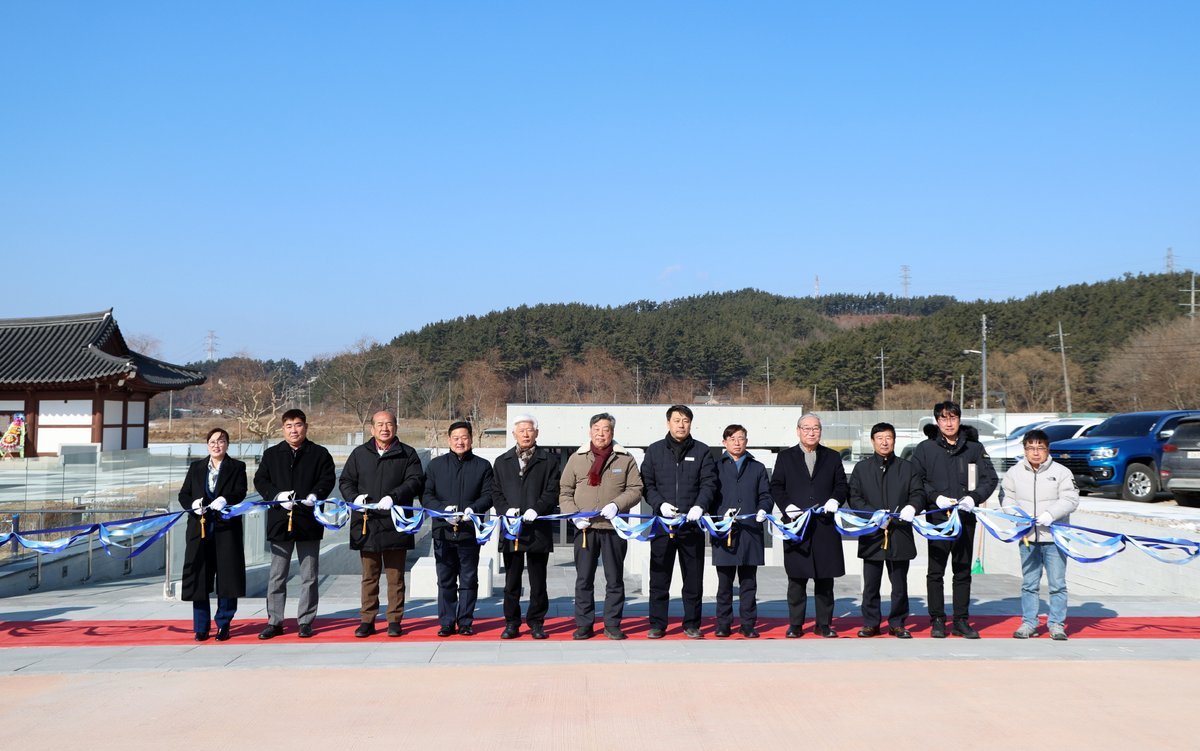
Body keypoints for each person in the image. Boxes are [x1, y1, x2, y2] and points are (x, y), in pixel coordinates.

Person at [911, 401, 998, 639]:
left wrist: (974, 497)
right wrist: (935, 497)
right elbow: (916, 479)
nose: (948, 423)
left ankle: (961, 620)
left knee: (962, 571)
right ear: (937, 421)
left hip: (965, 517)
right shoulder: (925, 449)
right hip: (938, 517)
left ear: (959, 420)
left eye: (953, 418)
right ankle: (938, 619)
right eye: (943, 418)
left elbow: (989, 479)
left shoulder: (974, 448)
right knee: (935, 571)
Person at [339, 410, 424, 638]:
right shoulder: (359, 454)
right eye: (380, 424)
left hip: (396, 523)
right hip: (367, 523)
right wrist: (354, 498)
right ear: (372, 428)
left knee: (395, 576)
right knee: (369, 576)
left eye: (389, 424)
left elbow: (415, 481)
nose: (384, 428)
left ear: (396, 427)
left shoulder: (407, 454)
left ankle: (394, 620)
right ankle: (367, 619)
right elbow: (346, 481)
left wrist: (394, 496)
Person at [559, 412, 644, 640]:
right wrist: (574, 515)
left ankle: (612, 624)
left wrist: (617, 505)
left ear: (612, 432)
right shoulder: (577, 458)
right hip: (585, 529)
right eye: (596, 429)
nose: (601, 434)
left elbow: (636, 488)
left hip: (613, 528)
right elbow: (565, 491)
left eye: (606, 429)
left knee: (614, 579)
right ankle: (584, 624)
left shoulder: (624, 458)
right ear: (590, 431)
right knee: (583, 579)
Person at [252, 409, 336, 640]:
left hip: (308, 520)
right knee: (277, 575)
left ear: (305, 427)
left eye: (298, 425)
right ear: (283, 429)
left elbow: (328, 478)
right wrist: (276, 496)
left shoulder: (319, 453)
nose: (294, 430)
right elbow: (260, 480)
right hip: (280, 521)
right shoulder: (272, 454)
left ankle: (306, 620)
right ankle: (274, 621)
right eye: (289, 426)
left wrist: (316, 494)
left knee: (309, 575)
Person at [769, 413, 848, 638]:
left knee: (825, 579)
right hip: (797, 526)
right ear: (798, 431)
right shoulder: (785, 457)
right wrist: (788, 507)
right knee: (796, 579)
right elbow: (776, 486)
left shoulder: (832, 456)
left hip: (824, 526)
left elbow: (842, 485)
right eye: (806, 428)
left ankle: (824, 624)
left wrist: (835, 500)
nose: (811, 432)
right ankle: (795, 624)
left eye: (816, 428)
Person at [643, 404, 717, 639]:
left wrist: (700, 505)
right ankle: (657, 624)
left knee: (693, 578)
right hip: (663, 525)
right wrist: (659, 504)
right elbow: (647, 484)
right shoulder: (654, 451)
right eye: (677, 420)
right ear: (668, 423)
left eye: (685, 421)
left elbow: (709, 483)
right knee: (659, 577)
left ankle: (692, 624)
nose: (681, 425)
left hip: (691, 526)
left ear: (690, 424)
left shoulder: (702, 451)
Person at [1000, 428, 1080, 641]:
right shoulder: (1014, 473)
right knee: (1029, 584)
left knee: (1057, 584)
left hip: (1054, 538)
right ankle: (1029, 623)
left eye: (1040, 448)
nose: (1035, 452)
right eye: (1031, 448)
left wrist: (1050, 514)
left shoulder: (1062, 472)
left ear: (1048, 449)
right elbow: (1006, 497)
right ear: (1024, 450)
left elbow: (1071, 499)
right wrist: (1016, 515)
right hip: (1027, 537)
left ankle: (1056, 624)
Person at [847, 422, 924, 639]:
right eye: (880, 438)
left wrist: (913, 507)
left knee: (899, 583)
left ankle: (897, 623)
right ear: (872, 441)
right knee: (871, 583)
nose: (884, 442)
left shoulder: (907, 468)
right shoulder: (862, 468)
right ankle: (871, 622)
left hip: (899, 532)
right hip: (872, 533)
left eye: (888, 437)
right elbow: (854, 497)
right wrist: (872, 514)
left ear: (894, 440)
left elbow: (918, 493)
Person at [491, 414, 561, 640]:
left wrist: (537, 509)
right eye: (521, 430)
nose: (525, 434)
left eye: (529, 430)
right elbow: (495, 492)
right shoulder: (502, 461)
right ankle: (511, 622)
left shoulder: (549, 461)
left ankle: (536, 622)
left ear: (536, 433)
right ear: (514, 434)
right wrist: (505, 510)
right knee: (511, 580)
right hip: (512, 529)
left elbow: (552, 490)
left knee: (538, 580)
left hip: (537, 528)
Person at [423, 420, 493, 637]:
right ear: (449, 440)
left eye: (464, 437)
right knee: (445, 579)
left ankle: (465, 621)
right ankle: (446, 622)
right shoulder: (435, 466)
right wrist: (442, 510)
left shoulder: (482, 466)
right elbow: (426, 495)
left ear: (471, 439)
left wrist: (474, 508)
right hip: (443, 531)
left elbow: (489, 495)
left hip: (469, 532)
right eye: (456, 438)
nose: (460, 442)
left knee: (469, 578)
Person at [177, 427, 247, 641]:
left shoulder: (237, 467)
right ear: (207, 445)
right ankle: (201, 626)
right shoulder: (196, 467)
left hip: (226, 529)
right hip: (200, 529)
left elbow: (240, 491)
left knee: (227, 576)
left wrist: (226, 499)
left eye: (221, 441)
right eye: (213, 442)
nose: (217, 445)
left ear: (227, 444)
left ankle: (224, 623)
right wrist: (193, 504)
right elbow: (184, 494)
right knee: (199, 576)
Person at [711, 424, 772, 638]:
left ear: (747, 441)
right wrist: (717, 515)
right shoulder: (715, 467)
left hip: (750, 531)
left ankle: (748, 624)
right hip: (724, 531)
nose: (737, 443)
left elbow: (766, 495)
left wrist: (763, 509)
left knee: (748, 583)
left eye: (741, 438)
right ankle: (723, 623)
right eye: (732, 439)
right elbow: (709, 495)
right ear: (724, 442)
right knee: (724, 583)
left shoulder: (757, 468)